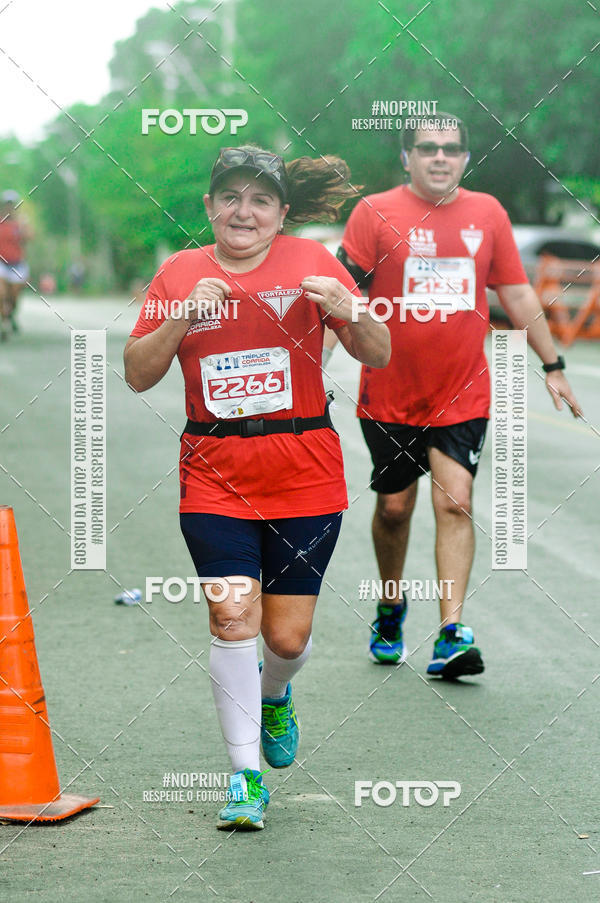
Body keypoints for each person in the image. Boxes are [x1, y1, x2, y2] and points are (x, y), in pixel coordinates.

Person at [124, 145, 390, 830]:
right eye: (231, 197)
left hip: (304, 472)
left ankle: (275, 693)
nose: (244, 211)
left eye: (260, 200)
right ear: (210, 206)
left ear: (280, 212)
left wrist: (348, 309)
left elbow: (379, 352)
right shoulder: (181, 271)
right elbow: (136, 371)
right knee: (231, 617)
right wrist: (182, 313)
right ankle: (244, 776)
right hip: (214, 474)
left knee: (289, 638)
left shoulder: (312, 263)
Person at [338, 113, 582, 679]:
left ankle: (451, 632)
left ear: (465, 158)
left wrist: (553, 364)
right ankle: (391, 605)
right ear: (407, 158)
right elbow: (343, 298)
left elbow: (517, 293)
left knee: (455, 501)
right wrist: (312, 368)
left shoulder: (487, 213)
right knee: (395, 508)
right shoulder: (374, 212)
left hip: (461, 390)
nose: (440, 157)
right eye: (427, 148)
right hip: (390, 394)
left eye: (451, 148)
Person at [0, 190, 32, 340]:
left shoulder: (20, 223)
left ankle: (10, 315)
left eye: (12, 205)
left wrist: (23, 227)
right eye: (7, 205)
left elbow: (29, 237)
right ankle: (4, 323)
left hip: (17, 264)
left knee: (14, 295)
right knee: (1, 293)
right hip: (1, 263)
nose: (9, 208)